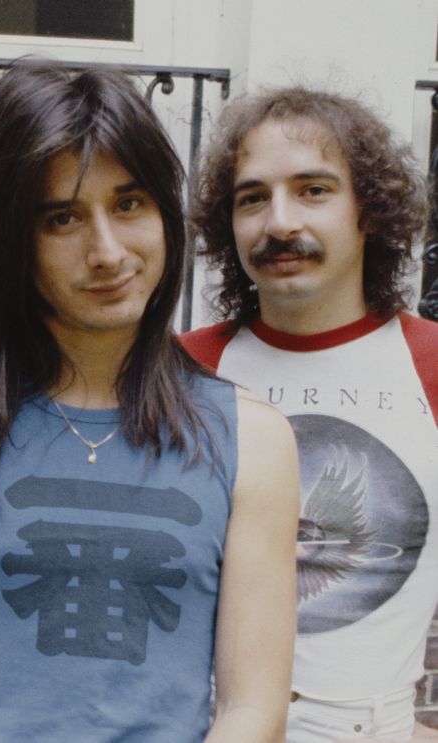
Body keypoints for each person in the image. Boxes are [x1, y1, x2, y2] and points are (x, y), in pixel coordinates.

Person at [0, 59, 300, 743]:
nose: (107, 250)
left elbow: (254, 709)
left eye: (128, 204)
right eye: (62, 217)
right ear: (12, 243)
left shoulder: (250, 438)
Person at [182, 86, 438, 742]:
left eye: (313, 189)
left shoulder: (430, 364)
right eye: (251, 198)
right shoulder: (177, 372)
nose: (278, 222)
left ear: (369, 212)